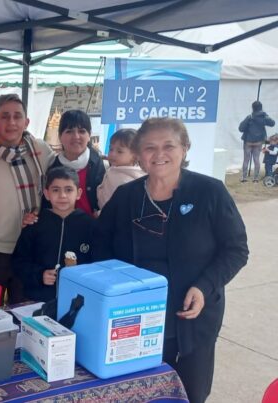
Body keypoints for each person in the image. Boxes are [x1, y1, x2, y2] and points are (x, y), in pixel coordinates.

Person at [95, 117, 248, 403]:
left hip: (192, 316)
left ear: (185, 148)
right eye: (150, 147)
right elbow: (100, 247)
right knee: (138, 392)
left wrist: (205, 286)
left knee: (190, 393)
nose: (159, 154)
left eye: (169, 145)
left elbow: (236, 249)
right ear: (139, 154)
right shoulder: (126, 196)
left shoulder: (210, 192)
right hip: (133, 319)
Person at [0, 93, 54, 304]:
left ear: (26, 121)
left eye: (17, 116)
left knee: (24, 311)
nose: (11, 122)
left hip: (32, 248)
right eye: (4, 116)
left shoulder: (42, 151)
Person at [11, 167, 96, 303]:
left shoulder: (90, 226)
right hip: (38, 299)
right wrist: (40, 275)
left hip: (76, 301)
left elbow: (97, 265)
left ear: (78, 193)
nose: (62, 195)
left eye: (68, 190)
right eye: (56, 190)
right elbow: (19, 262)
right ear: (46, 193)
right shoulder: (35, 224)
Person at [43, 109, 105, 216]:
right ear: (60, 136)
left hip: (93, 229)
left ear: (89, 135)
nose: (76, 137)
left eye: (81, 131)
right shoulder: (51, 167)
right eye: (69, 131)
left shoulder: (99, 165)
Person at [96, 128, 145, 209]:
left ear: (135, 155)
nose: (112, 154)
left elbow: (122, 206)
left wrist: (101, 213)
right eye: (111, 149)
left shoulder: (127, 180)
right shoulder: (113, 170)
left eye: (119, 151)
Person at [239, 100, 275, 182]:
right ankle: (255, 178)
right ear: (261, 108)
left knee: (246, 159)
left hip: (248, 141)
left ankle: (244, 178)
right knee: (256, 159)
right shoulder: (264, 117)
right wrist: (265, 115)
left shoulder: (250, 117)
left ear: (252, 108)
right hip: (258, 141)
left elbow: (240, 128)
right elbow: (272, 123)